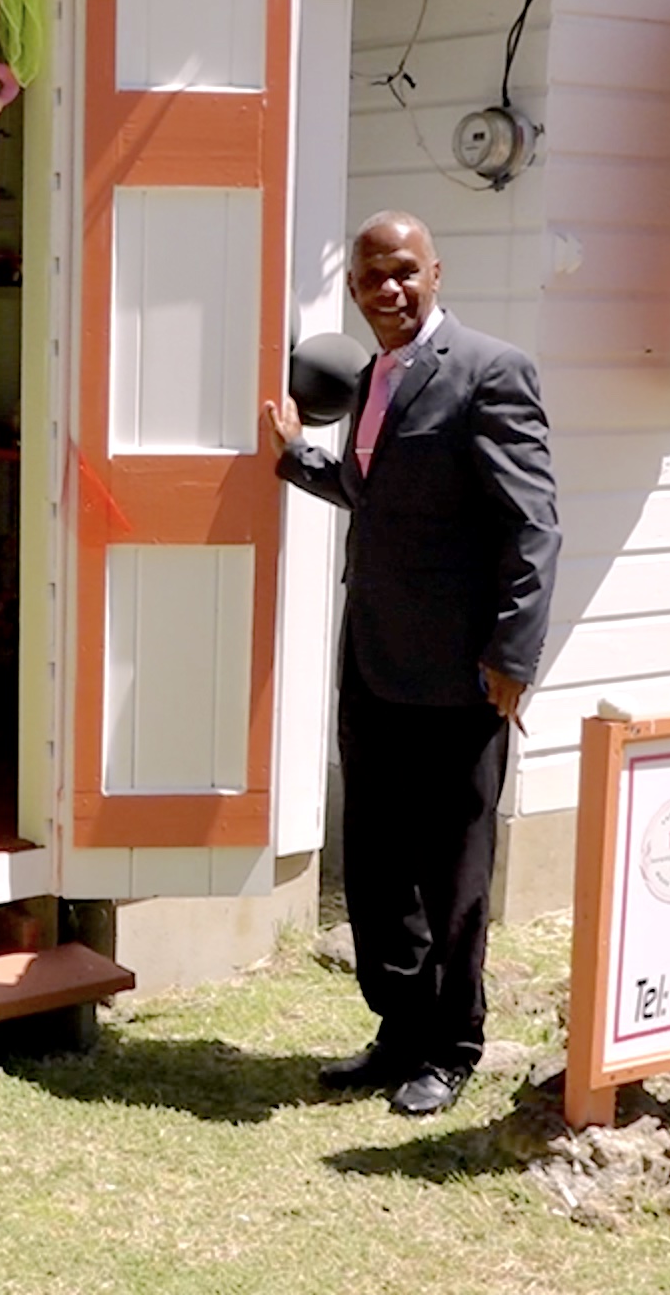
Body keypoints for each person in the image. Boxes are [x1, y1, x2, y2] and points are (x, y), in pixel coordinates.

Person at [264, 211, 560, 1118]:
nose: (386, 293)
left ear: (435, 270)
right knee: (379, 863)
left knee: (453, 870)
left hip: (461, 678)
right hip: (376, 662)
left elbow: (532, 525)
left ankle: (453, 1042)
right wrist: (294, 456)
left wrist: (512, 656)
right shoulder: (373, 379)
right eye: (368, 281)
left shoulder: (490, 371)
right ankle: (398, 1031)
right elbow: (375, 492)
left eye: (401, 274)